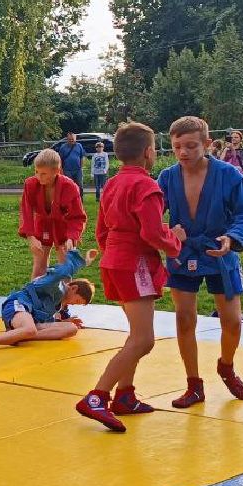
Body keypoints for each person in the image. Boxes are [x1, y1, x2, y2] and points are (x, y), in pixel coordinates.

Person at [75, 122, 181, 432]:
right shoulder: (147, 186)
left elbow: (102, 229)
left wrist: (113, 254)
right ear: (149, 152)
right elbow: (150, 232)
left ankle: (124, 395)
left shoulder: (111, 184)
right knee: (144, 340)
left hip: (116, 261)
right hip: (133, 264)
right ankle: (97, 395)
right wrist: (174, 240)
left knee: (136, 334)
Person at [158, 116, 243, 408]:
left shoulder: (228, 175)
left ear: (207, 144)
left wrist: (232, 238)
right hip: (183, 253)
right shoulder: (166, 178)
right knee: (184, 317)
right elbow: (150, 215)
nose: (183, 152)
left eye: (191, 146)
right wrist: (167, 232)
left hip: (220, 251)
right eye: (177, 146)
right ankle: (194, 384)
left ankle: (226, 365)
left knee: (232, 322)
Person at [0, 248, 97, 354]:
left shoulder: (60, 303)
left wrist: (64, 321)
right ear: (73, 288)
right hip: (18, 305)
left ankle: (17, 336)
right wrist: (81, 262)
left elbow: (48, 319)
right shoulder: (55, 286)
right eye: (77, 301)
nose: (73, 304)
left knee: (71, 329)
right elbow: (58, 273)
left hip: (32, 320)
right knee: (30, 330)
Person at [18, 149, 87, 279]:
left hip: (63, 226)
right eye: (36, 172)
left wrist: (71, 238)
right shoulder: (30, 184)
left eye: (43, 173)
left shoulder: (70, 187)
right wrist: (31, 237)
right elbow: (26, 211)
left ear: (56, 171)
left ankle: (65, 297)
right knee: (39, 264)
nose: (38, 176)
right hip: (42, 224)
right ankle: (35, 296)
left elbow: (77, 216)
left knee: (65, 266)